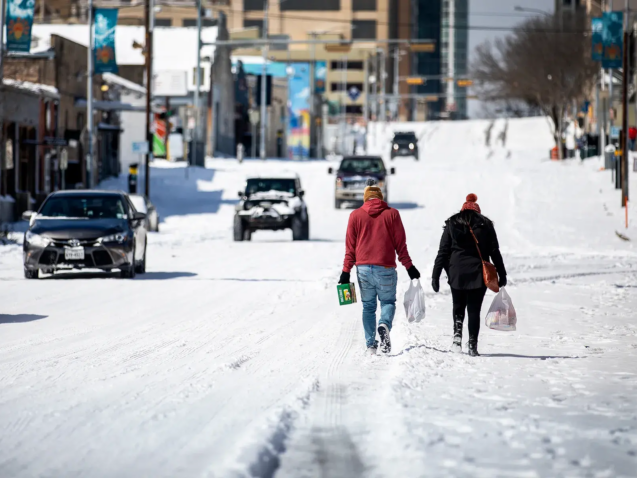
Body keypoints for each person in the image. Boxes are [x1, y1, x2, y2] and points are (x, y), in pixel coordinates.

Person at [339, 181, 420, 355]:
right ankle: (384, 324)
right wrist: (409, 267)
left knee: (368, 307)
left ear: (365, 198)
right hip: (385, 268)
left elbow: (350, 248)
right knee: (388, 302)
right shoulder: (393, 214)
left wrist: (346, 272)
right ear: (380, 198)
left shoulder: (355, 216)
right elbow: (401, 246)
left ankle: (370, 346)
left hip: (363, 270)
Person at [431, 194, 506, 357]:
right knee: (474, 310)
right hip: (478, 273)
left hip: (456, 272)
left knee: (458, 305)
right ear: (477, 211)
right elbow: (495, 251)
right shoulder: (486, 224)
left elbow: (443, 251)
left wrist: (435, 275)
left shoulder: (452, 223)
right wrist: (502, 273)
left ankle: (457, 338)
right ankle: (473, 344)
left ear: (463, 209)